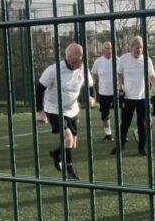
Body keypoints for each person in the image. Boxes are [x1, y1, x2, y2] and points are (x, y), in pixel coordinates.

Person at [36, 42, 94, 180]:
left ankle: (56, 153)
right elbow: (39, 89)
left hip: (72, 110)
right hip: (54, 109)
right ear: (68, 56)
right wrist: (40, 111)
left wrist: (92, 97)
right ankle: (70, 172)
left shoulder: (82, 69)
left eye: (82, 57)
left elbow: (90, 85)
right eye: (77, 57)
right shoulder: (53, 70)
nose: (80, 60)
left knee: (72, 143)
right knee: (67, 138)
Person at [110, 36, 155, 156]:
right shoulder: (124, 59)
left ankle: (142, 148)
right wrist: (120, 89)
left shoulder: (147, 60)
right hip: (128, 97)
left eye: (141, 48)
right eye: (137, 48)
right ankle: (120, 145)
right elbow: (120, 75)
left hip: (143, 97)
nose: (139, 50)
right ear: (131, 47)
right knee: (125, 123)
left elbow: (152, 77)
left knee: (142, 124)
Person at [91, 41, 116, 142]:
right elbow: (94, 76)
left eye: (110, 48)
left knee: (123, 114)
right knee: (105, 115)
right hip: (104, 93)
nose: (109, 50)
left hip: (117, 93)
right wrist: (91, 91)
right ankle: (108, 135)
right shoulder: (98, 62)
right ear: (103, 50)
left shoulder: (118, 61)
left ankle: (122, 134)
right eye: (107, 48)